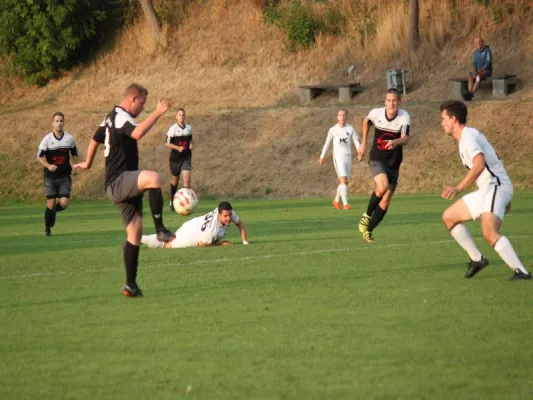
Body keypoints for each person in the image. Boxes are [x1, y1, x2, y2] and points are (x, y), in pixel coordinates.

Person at [74, 83, 176, 297]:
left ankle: (130, 284)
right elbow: (137, 133)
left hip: (118, 184)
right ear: (132, 99)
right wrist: (157, 114)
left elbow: (95, 138)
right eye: (142, 103)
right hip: (119, 181)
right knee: (154, 179)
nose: (142, 108)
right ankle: (160, 229)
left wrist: (88, 162)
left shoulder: (111, 117)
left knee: (135, 233)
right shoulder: (120, 117)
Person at [439, 100, 530, 280]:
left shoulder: (468, 137)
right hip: (489, 190)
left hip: (496, 187)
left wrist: (459, 187)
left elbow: (479, 164)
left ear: (454, 119)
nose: (442, 123)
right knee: (449, 217)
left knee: (489, 232)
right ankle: (477, 259)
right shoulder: (465, 138)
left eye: (443, 119)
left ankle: (522, 272)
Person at [357, 88, 410, 243]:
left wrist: (395, 142)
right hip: (377, 158)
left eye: (394, 100)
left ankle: (368, 230)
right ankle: (366, 216)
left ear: (399, 101)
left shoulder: (404, 116)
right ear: (385, 102)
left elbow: (405, 138)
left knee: (386, 199)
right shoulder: (376, 113)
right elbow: (366, 120)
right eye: (388, 100)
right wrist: (364, 143)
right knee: (382, 186)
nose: (391, 103)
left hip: (394, 162)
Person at [36, 112, 78, 236]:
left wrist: (74, 166)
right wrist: (49, 166)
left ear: (64, 123)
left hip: (65, 175)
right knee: (51, 203)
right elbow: (38, 156)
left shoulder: (69, 138)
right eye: (57, 121)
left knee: (64, 203)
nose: (59, 123)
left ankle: (52, 212)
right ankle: (47, 227)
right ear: (52, 124)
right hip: (50, 177)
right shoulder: (47, 139)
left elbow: (74, 153)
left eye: (61, 121)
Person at [141, 201, 249, 249]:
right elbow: (202, 244)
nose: (229, 218)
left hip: (193, 223)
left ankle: (137, 239)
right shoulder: (212, 230)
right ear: (219, 214)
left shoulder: (228, 212)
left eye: (229, 215)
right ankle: (138, 239)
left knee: (170, 237)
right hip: (192, 235)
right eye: (225, 216)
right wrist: (221, 244)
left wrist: (245, 242)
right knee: (168, 245)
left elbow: (240, 225)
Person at [319, 109, 360, 210]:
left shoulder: (350, 129)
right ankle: (346, 204)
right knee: (343, 179)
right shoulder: (333, 130)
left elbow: (356, 141)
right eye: (340, 115)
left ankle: (336, 201)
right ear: (337, 117)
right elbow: (327, 143)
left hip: (348, 156)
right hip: (338, 156)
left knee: (345, 182)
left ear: (346, 117)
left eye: (344, 115)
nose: (342, 117)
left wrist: (360, 152)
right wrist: (322, 156)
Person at [165, 108, 193, 211]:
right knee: (175, 181)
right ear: (176, 116)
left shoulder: (189, 128)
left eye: (183, 115)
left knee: (187, 181)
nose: (182, 117)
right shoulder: (172, 129)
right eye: (180, 115)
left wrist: (190, 145)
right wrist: (177, 148)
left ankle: (187, 204)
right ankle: (172, 199)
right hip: (175, 159)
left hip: (186, 157)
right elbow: (167, 143)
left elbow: (190, 139)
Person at [464, 36, 492, 100]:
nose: (478, 43)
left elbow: (488, 62)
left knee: (478, 77)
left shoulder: (487, 50)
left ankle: (471, 93)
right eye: (477, 41)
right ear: (475, 43)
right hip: (478, 71)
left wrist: (480, 71)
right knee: (470, 75)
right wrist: (475, 71)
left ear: (482, 42)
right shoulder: (475, 52)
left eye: (480, 41)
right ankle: (469, 92)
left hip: (486, 71)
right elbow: (474, 63)